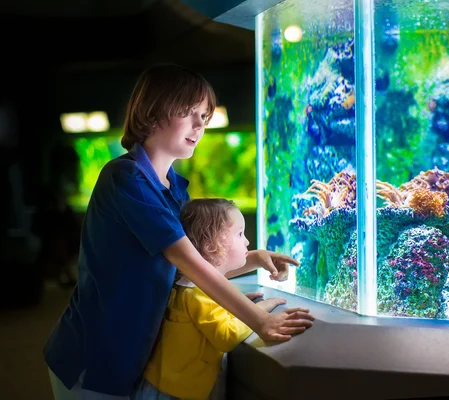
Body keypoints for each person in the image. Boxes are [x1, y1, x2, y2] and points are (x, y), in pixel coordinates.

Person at [43, 64, 314, 400]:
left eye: (204, 116)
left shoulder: (174, 190)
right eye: (190, 113)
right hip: (92, 353)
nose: (200, 125)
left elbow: (180, 271)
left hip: (133, 352)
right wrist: (261, 321)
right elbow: (188, 262)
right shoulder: (126, 178)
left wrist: (253, 259)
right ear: (154, 111)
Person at [134, 198, 287, 400]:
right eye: (240, 234)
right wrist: (261, 309)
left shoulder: (190, 286)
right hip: (174, 392)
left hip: (165, 386)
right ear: (211, 245)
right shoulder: (197, 293)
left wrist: (233, 306)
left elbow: (206, 321)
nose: (247, 241)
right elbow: (226, 335)